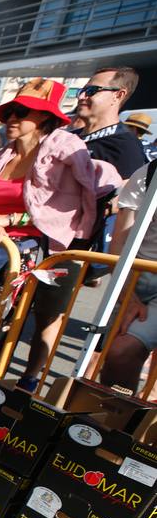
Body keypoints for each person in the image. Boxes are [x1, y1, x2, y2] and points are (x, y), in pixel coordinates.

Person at [0, 79, 104, 393]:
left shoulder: (60, 158)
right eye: (11, 110)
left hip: (24, 257)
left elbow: (60, 210)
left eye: (23, 111)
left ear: (44, 117)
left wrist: (10, 219)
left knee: (0, 334)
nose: (12, 118)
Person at [98, 160, 157, 392]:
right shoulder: (148, 173)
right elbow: (119, 240)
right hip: (136, 279)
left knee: (123, 353)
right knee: (117, 357)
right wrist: (127, 296)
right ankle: (117, 422)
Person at [74, 67, 145, 180]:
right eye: (82, 91)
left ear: (118, 95)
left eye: (92, 90)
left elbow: (122, 196)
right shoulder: (70, 136)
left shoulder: (125, 147)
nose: (81, 97)